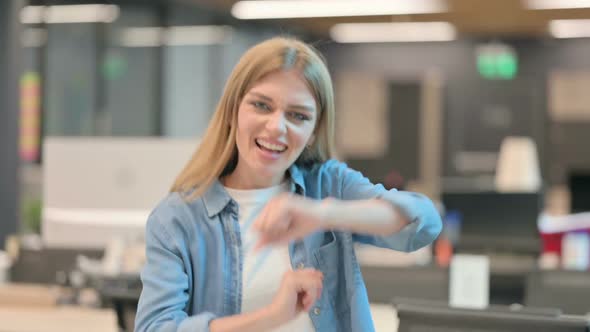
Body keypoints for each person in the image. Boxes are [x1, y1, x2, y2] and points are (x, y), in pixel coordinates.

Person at [134, 37, 442, 332]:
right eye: (262, 106)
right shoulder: (177, 219)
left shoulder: (327, 184)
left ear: (313, 131)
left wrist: (323, 214)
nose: (277, 127)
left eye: (298, 115)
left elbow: (422, 223)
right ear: (233, 110)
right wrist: (271, 317)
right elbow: (155, 328)